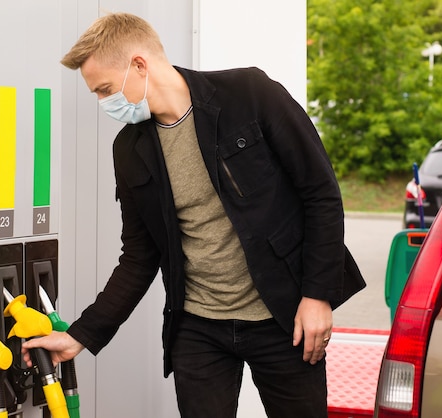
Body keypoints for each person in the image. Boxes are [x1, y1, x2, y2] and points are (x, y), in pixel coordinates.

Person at [22, 12, 365, 418]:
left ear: (139, 65)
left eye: (106, 90)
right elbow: (138, 256)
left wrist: (317, 296)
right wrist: (81, 335)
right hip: (198, 328)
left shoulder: (250, 94)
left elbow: (320, 192)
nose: (103, 103)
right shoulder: (130, 149)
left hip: (284, 319)